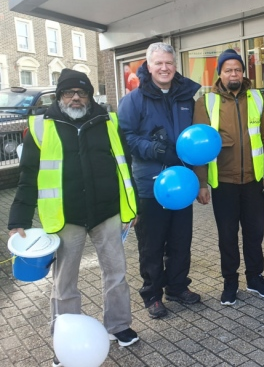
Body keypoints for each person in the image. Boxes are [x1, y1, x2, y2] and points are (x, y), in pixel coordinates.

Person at [8, 68, 140, 366]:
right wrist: (18, 221)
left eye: (82, 93)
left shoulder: (108, 120)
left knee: (116, 274)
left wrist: (133, 208)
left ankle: (118, 326)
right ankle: (64, 340)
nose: (76, 98)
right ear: (59, 96)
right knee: (64, 283)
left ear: (90, 96)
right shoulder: (41, 127)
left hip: (107, 212)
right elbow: (28, 177)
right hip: (65, 217)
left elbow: (125, 167)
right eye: (70, 93)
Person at [118, 42, 202, 319]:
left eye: (169, 63)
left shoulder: (186, 97)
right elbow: (126, 137)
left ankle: (177, 286)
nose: (164, 68)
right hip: (150, 183)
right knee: (151, 243)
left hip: (182, 182)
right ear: (148, 65)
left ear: (175, 66)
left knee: (181, 240)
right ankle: (152, 294)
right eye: (159, 63)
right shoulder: (133, 99)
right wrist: (152, 148)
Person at [193, 49, 264, 306]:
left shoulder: (256, 98)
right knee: (227, 236)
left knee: (254, 234)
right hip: (224, 183)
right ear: (220, 73)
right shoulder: (206, 102)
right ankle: (230, 282)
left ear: (244, 73)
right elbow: (198, 147)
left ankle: (255, 278)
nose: (234, 74)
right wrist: (201, 183)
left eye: (238, 69)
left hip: (253, 182)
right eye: (229, 69)